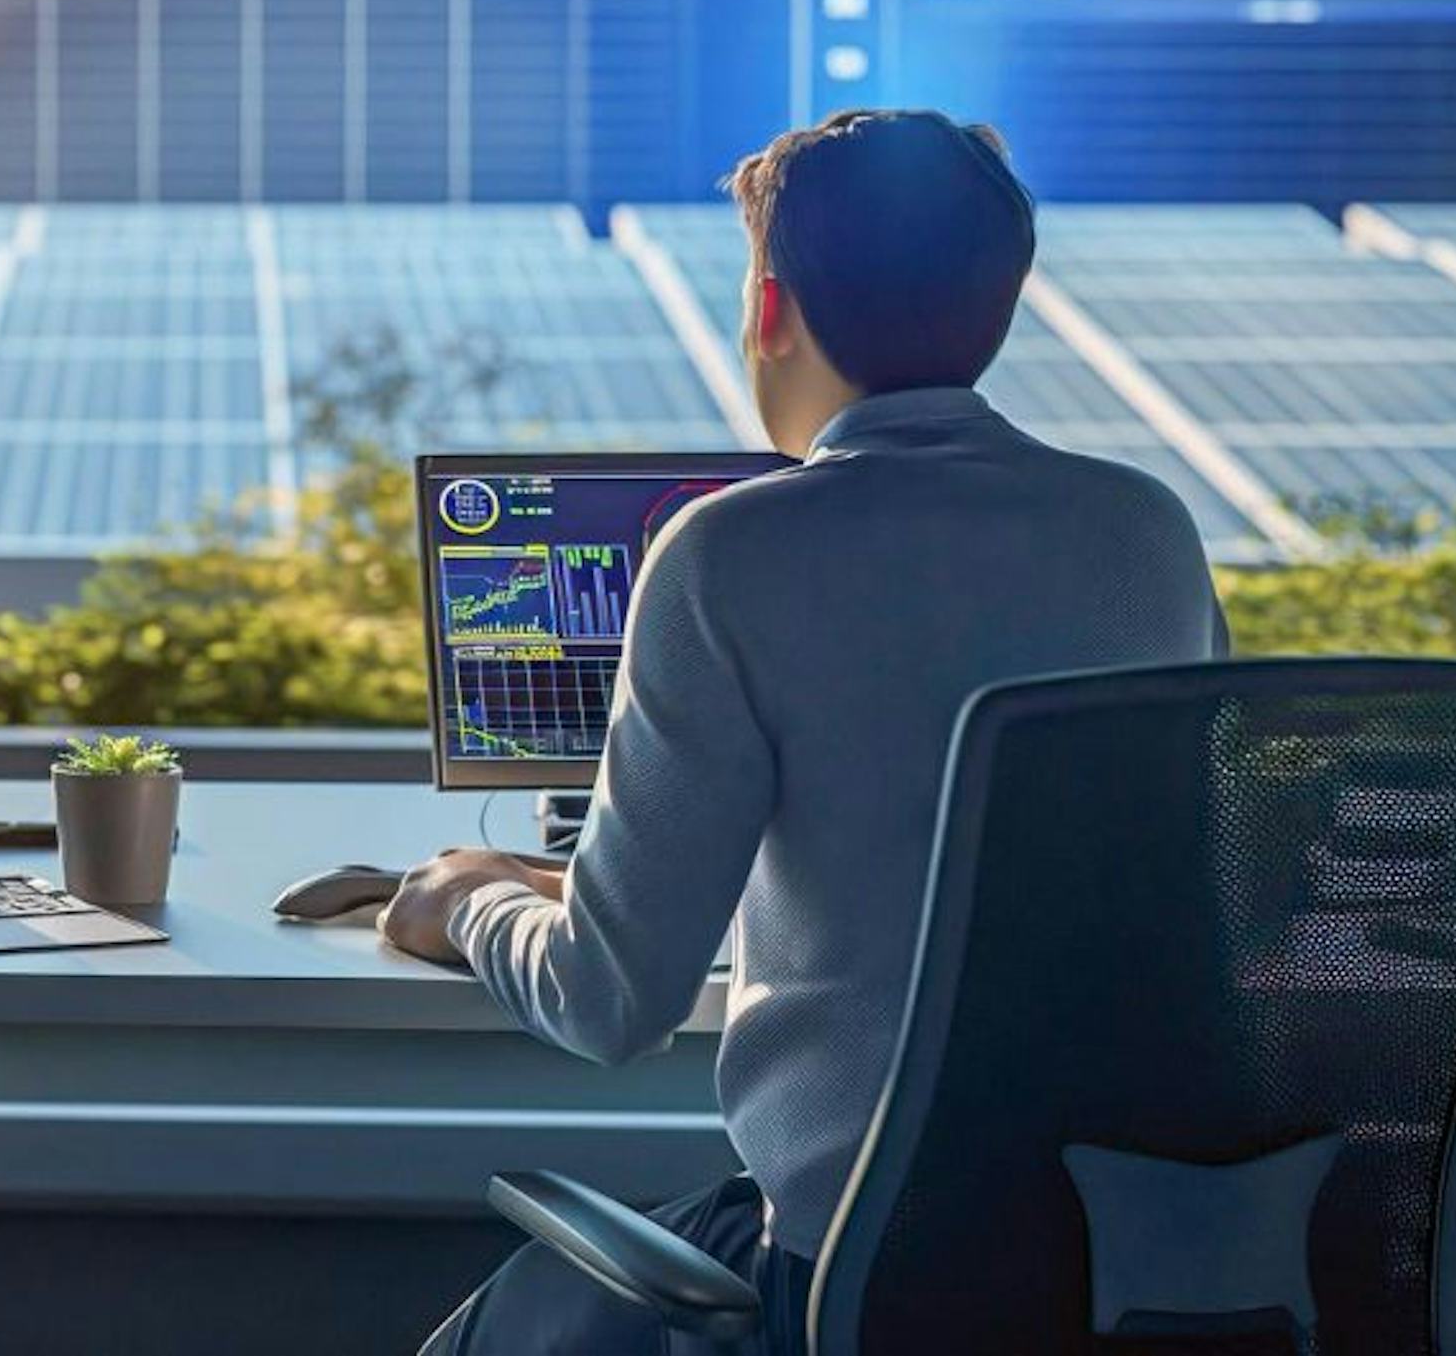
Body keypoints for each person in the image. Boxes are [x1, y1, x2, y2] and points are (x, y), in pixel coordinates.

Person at [398, 110, 1227, 1355]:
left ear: (770, 307)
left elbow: (611, 998)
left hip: (859, 1280)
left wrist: (465, 896)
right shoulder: (1144, 530)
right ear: (1001, 305)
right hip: (1137, 1268)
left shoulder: (733, 550)